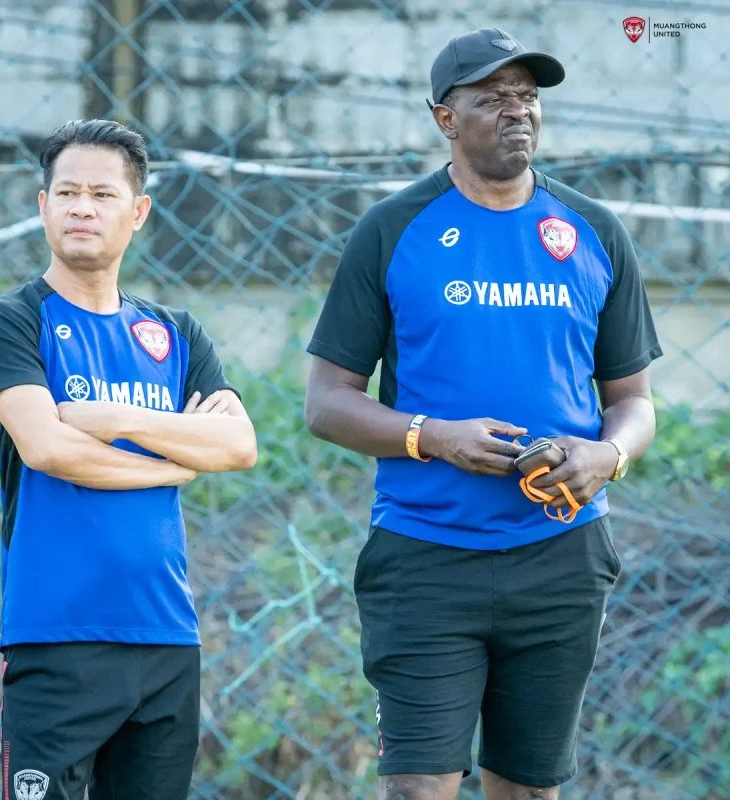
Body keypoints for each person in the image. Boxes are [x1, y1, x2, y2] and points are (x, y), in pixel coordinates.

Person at [304, 27, 662, 800]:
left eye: (527, 98)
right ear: (445, 118)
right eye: (491, 99)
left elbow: (632, 402)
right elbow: (327, 402)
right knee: (418, 788)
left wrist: (608, 456)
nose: (517, 113)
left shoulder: (593, 231)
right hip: (425, 558)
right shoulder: (394, 231)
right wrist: (431, 438)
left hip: (562, 555)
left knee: (529, 790)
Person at [0, 119, 257, 800]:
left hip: (165, 637)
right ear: (42, 207)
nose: (81, 208)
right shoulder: (11, 322)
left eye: (101, 194)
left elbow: (237, 445)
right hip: (56, 636)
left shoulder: (175, 334)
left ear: (138, 212)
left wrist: (119, 419)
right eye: (65, 192)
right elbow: (48, 447)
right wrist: (174, 460)